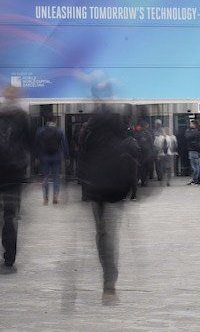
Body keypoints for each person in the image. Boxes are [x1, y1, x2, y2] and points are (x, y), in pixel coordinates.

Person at [77, 105, 138, 305]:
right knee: (110, 234)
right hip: (115, 191)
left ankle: (108, 279)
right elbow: (133, 160)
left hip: (95, 189)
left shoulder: (88, 133)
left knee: (102, 234)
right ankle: (109, 285)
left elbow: (81, 160)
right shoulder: (121, 132)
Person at [0, 87, 31, 273]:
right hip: (15, 171)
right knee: (10, 214)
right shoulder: (22, 116)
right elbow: (30, 142)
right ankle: (9, 256)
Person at [34, 118, 67, 204]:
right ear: (55, 121)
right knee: (56, 177)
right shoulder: (60, 131)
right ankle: (55, 196)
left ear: (46, 122)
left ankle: (45, 198)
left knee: (45, 177)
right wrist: (66, 157)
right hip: (57, 157)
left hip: (44, 157)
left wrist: (36, 157)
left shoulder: (40, 131)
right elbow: (64, 144)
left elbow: (36, 145)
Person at [184, 120, 200, 185]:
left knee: (194, 166)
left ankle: (195, 180)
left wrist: (187, 131)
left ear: (194, 124)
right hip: (196, 150)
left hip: (193, 149)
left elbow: (187, 137)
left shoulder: (193, 131)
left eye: (191, 124)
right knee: (197, 165)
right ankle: (198, 179)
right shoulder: (198, 131)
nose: (189, 125)